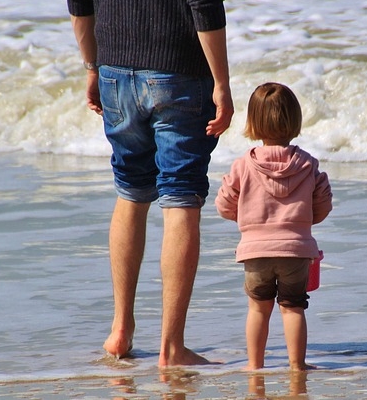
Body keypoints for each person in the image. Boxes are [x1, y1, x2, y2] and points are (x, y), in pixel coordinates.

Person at [67, 0, 234, 367]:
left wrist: (92, 67)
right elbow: (204, 4)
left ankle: (120, 330)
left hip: (114, 66)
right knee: (181, 197)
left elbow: (79, 3)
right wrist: (221, 82)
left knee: (130, 191)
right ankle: (172, 347)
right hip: (179, 69)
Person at [215, 82, 332, 371]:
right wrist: (303, 223)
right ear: (295, 120)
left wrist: (248, 221)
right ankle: (297, 365)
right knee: (293, 307)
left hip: (255, 251)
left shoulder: (243, 165)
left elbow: (224, 204)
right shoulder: (308, 164)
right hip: (296, 250)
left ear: (252, 122)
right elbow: (322, 206)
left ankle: (254, 365)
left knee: (258, 308)